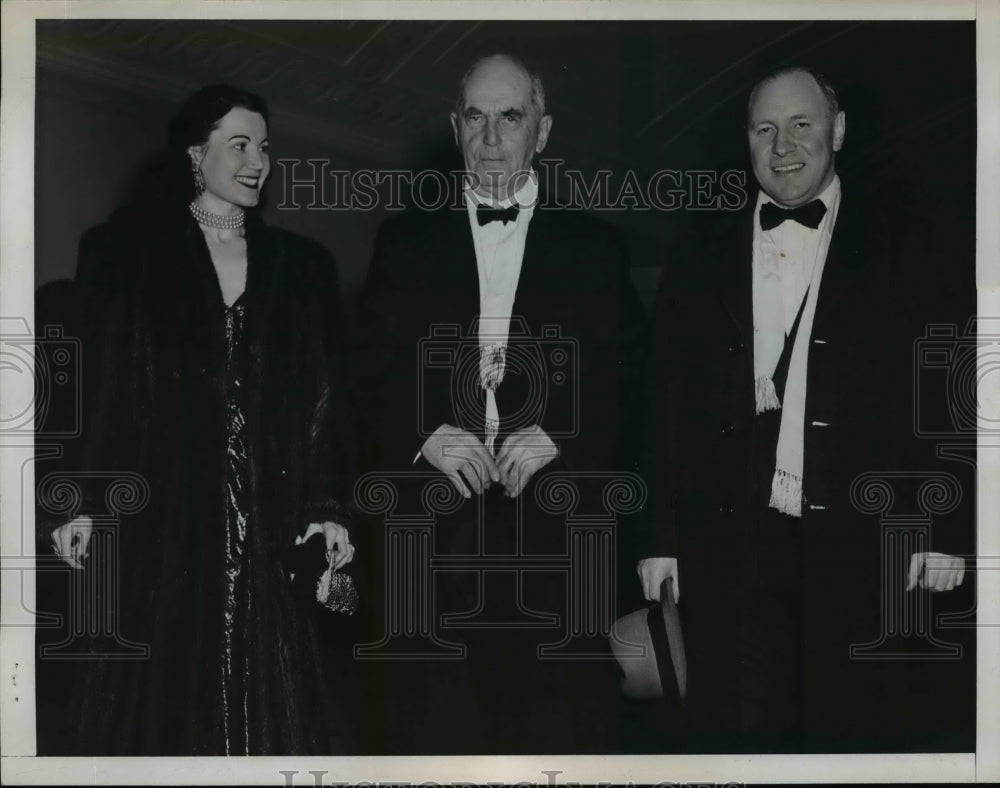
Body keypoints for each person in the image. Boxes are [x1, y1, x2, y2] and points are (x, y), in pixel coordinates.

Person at [637, 66, 975, 752]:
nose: (783, 145)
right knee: (737, 731)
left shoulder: (911, 244)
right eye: (765, 129)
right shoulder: (699, 252)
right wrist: (660, 537)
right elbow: (662, 401)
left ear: (839, 130)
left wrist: (948, 527)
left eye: (802, 125)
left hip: (862, 543)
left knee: (853, 730)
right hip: (729, 546)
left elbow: (954, 393)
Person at [42, 84, 358, 755]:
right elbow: (103, 386)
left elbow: (325, 395)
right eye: (238, 143)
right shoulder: (125, 253)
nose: (258, 160)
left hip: (270, 522)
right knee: (160, 700)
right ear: (195, 154)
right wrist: (84, 500)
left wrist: (328, 505)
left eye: (265, 147)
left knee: (278, 698)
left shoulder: (303, 269)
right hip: (165, 520)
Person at [356, 54, 647, 753]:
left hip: (559, 532)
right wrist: (423, 435)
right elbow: (362, 371)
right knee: (431, 732)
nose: (491, 139)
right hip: (431, 534)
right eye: (477, 119)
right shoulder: (404, 240)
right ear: (455, 129)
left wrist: (564, 437)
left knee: (558, 732)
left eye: (509, 117)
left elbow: (635, 380)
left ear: (540, 133)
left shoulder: (596, 248)